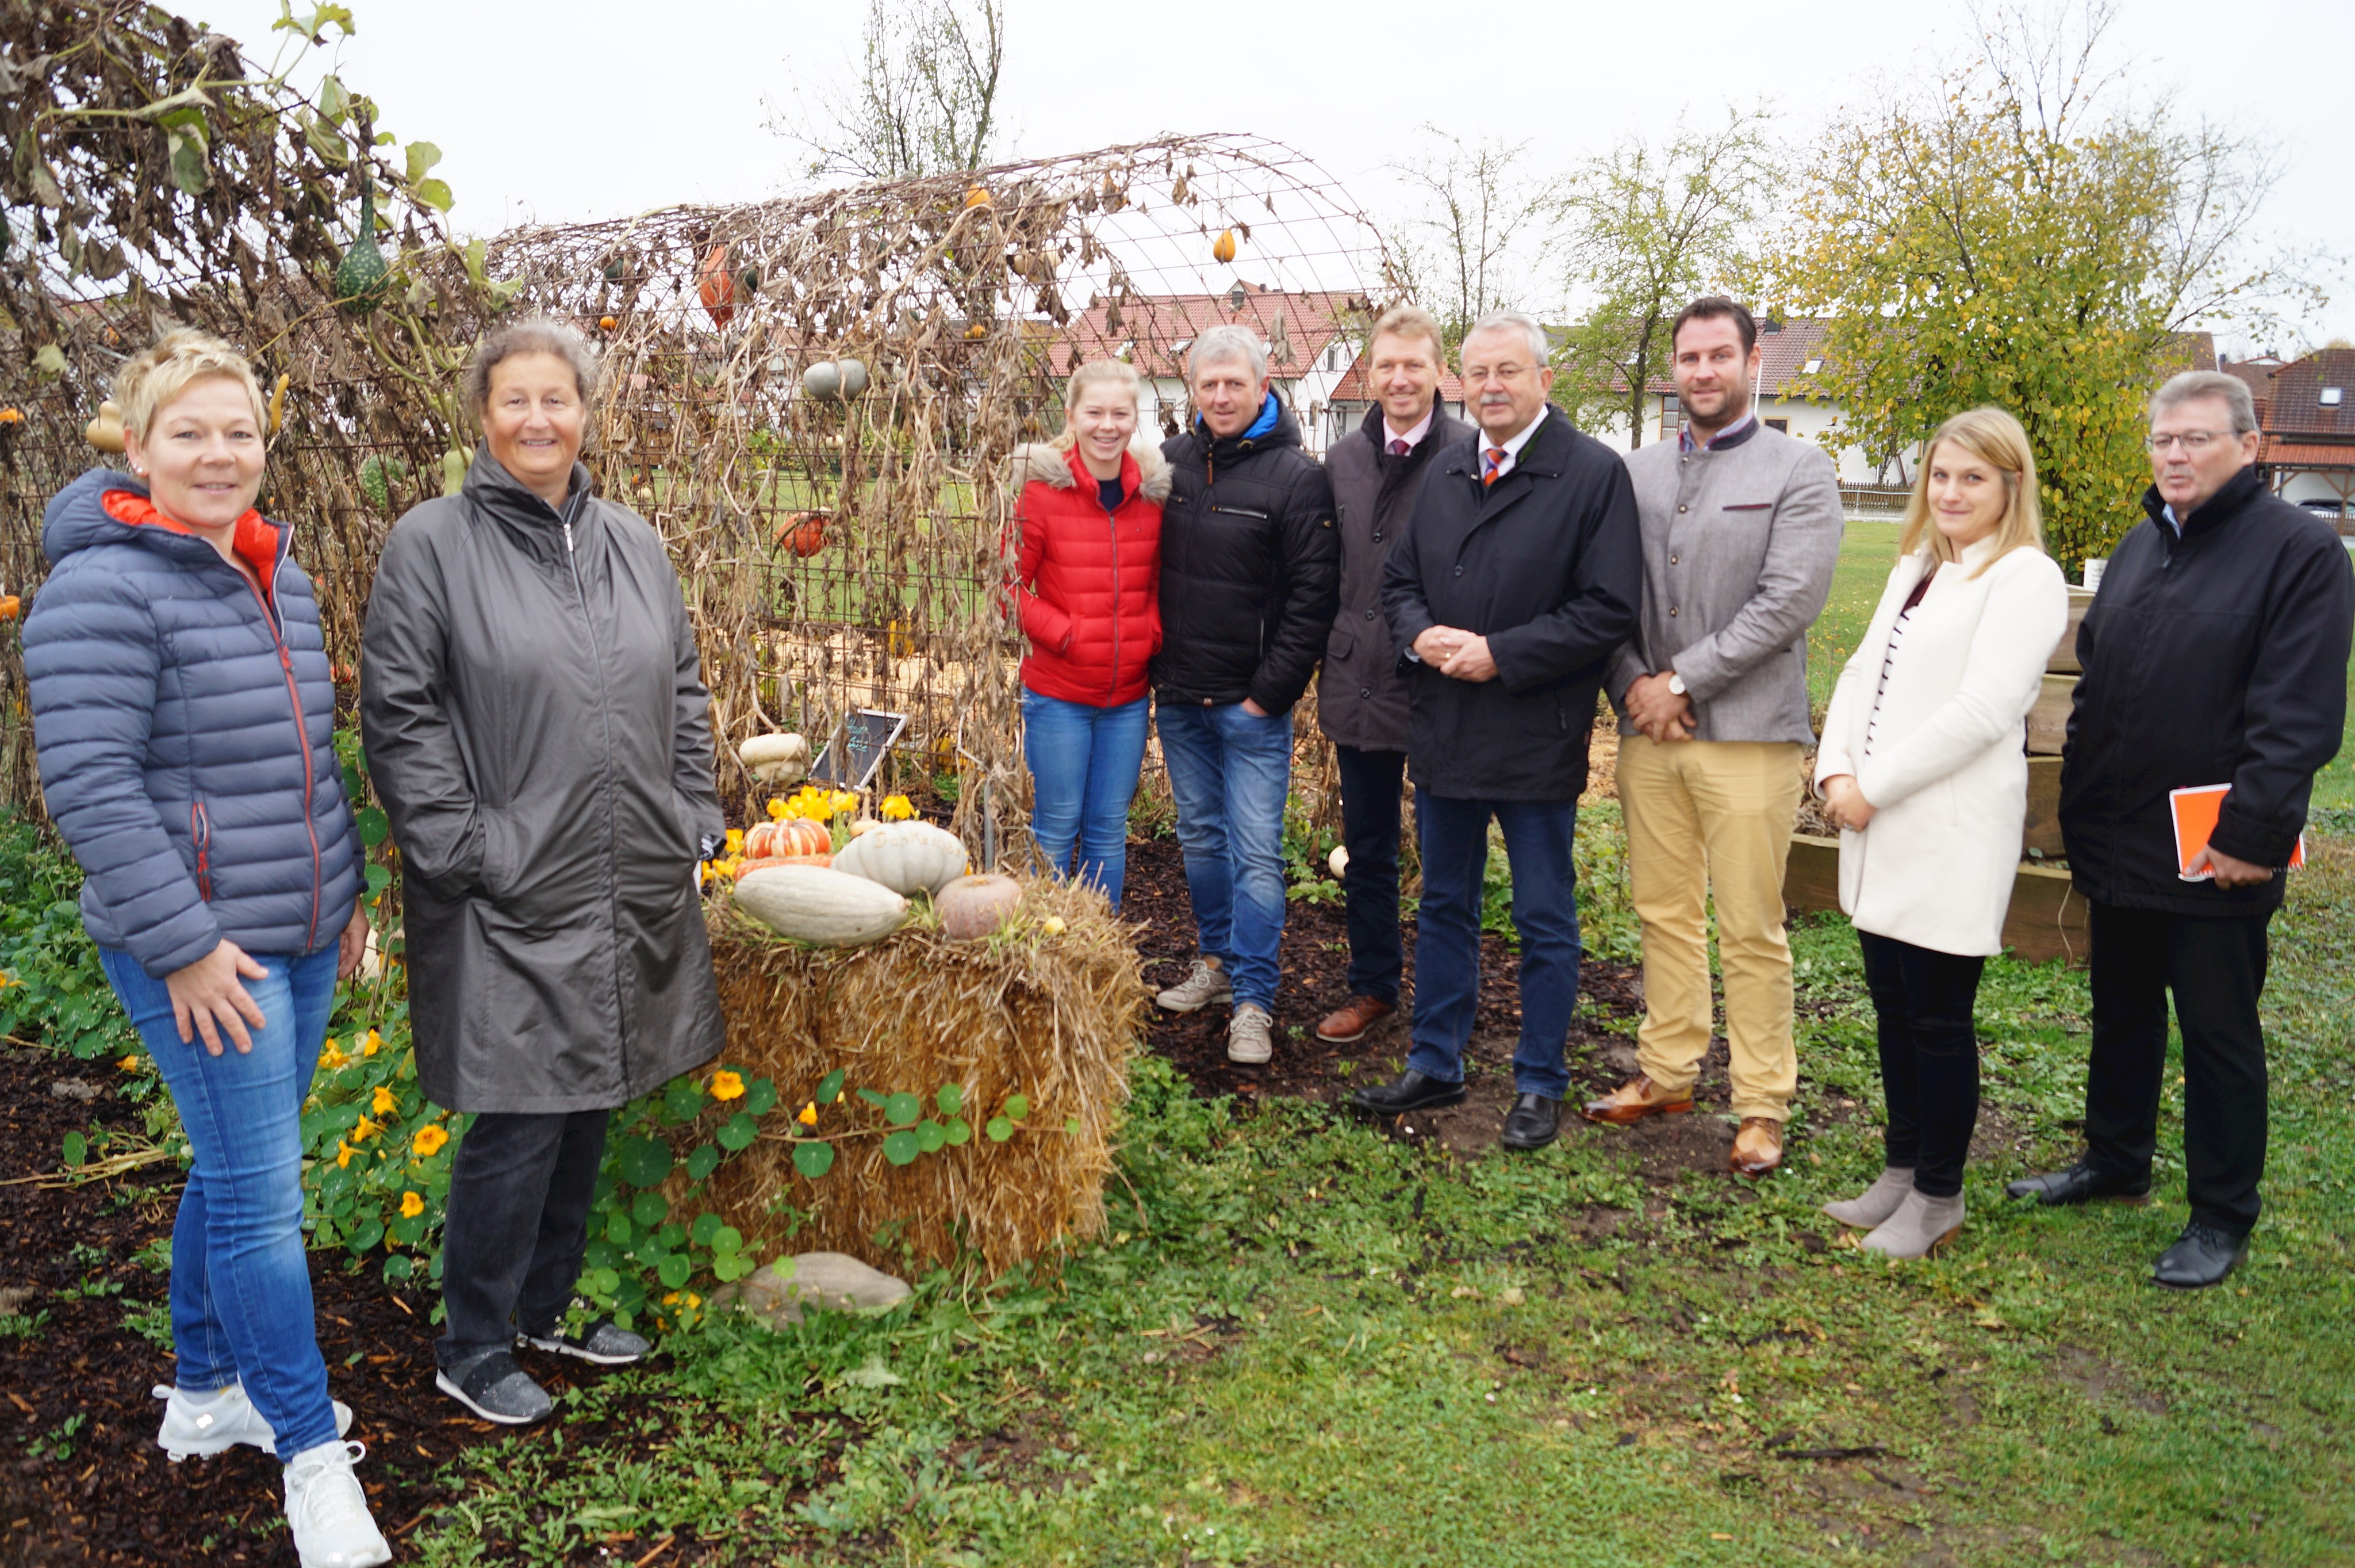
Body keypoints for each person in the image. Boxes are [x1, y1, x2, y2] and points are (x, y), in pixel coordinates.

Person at [24, 331, 390, 1567]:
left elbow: (297, 761)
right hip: (199, 946)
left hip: (296, 926)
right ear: (136, 445)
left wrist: (343, 888)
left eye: (239, 432)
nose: (218, 453)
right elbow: (90, 787)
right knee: (259, 1201)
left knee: (240, 1169)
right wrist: (183, 947)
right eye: (189, 431)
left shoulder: (270, 569)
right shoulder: (102, 587)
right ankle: (307, 1456)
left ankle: (202, 1391)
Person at [361, 319, 727, 1420]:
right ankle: (471, 1342)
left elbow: (684, 687)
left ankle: (545, 1307)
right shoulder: (431, 544)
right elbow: (401, 714)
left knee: (593, 1094)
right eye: (514, 400)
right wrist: (467, 848)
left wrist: (694, 812)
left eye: (555, 400)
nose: (537, 419)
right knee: (520, 1113)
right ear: (483, 416)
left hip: (627, 873)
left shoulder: (634, 543)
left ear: (585, 411)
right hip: (505, 883)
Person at [2008, 370, 2354, 1289]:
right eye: (2163, 440)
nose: (2174, 455)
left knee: (2217, 1032)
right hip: (2119, 837)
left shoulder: (2300, 556)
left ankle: (2220, 1214)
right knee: (2121, 1015)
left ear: (2250, 447)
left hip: (2216, 851)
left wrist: (2251, 831)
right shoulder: (2139, 544)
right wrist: (2077, 805)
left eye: (2196, 439)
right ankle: (2115, 1160)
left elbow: (2299, 715)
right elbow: (2099, 680)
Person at [1352, 310, 1641, 1150]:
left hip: (1533, 729)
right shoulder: (1448, 470)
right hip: (1446, 727)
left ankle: (1539, 1080)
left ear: (1544, 379)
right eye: (1477, 374)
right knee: (1444, 903)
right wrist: (1419, 634)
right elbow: (1400, 580)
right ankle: (1435, 1060)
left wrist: (1500, 654)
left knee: (1544, 912)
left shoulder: (1591, 476)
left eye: (1508, 371)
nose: (1491, 387)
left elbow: (1606, 608)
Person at [1588, 296, 1844, 1179]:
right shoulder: (1634, 473)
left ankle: (1763, 1100)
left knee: (1750, 921)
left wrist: (1681, 682)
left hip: (1749, 737)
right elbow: (1604, 593)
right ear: (1674, 368)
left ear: (1752, 362)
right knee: (1662, 909)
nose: (1703, 372)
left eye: (1719, 357)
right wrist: (1632, 685)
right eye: (1689, 358)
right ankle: (1667, 1070)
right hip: (1648, 734)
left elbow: (1788, 603)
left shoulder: (1800, 468)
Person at [1815, 408, 2068, 1256]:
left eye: (1975, 477)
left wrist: (1872, 787)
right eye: (1942, 474)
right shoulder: (1921, 564)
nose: (1952, 492)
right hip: (1879, 825)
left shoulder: (2024, 577)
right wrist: (1835, 770)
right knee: (1891, 1005)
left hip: (1947, 833)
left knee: (1936, 1017)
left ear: (2011, 487)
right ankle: (1899, 1166)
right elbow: (1858, 669)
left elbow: (1985, 709)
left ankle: (1938, 1194)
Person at [1149, 323, 1340, 1065]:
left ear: (1263, 387)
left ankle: (1256, 999)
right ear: (1192, 391)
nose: (1221, 396)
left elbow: (1312, 599)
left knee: (1257, 853)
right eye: (1209, 384)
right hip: (1183, 696)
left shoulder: (1298, 478)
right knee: (1200, 840)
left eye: (1236, 383)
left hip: (1249, 707)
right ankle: (1219, 967)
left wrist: (1269, 694)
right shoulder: (1170, 464)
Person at [1314, 304, 1473, 1046]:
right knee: (1369, 847)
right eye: (1388, 365)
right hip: (1360, 678)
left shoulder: (1471, 453)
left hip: (1443, 682)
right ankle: (1373, 986)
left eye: (1415, 364)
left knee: (1448, 859)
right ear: (1370, 374)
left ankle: (1447, 1008)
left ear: (1439, 371)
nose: (1401, 378)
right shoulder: (1342, 459)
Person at [1008, 358, 1169, 908]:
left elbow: (1155, 583)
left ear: (1135, 419)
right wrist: (1067, 634)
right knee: (1056, 824)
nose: (1108, 425)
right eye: (1095, 412)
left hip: (1126, 697)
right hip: (1059, 695)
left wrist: (1150, 631)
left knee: (1106, 828)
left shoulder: (1151, 497)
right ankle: (1045, 955)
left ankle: (1099, 955)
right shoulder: (1041, 493)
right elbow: (1007, 586)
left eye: (1120, 413)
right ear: (1072, 416)